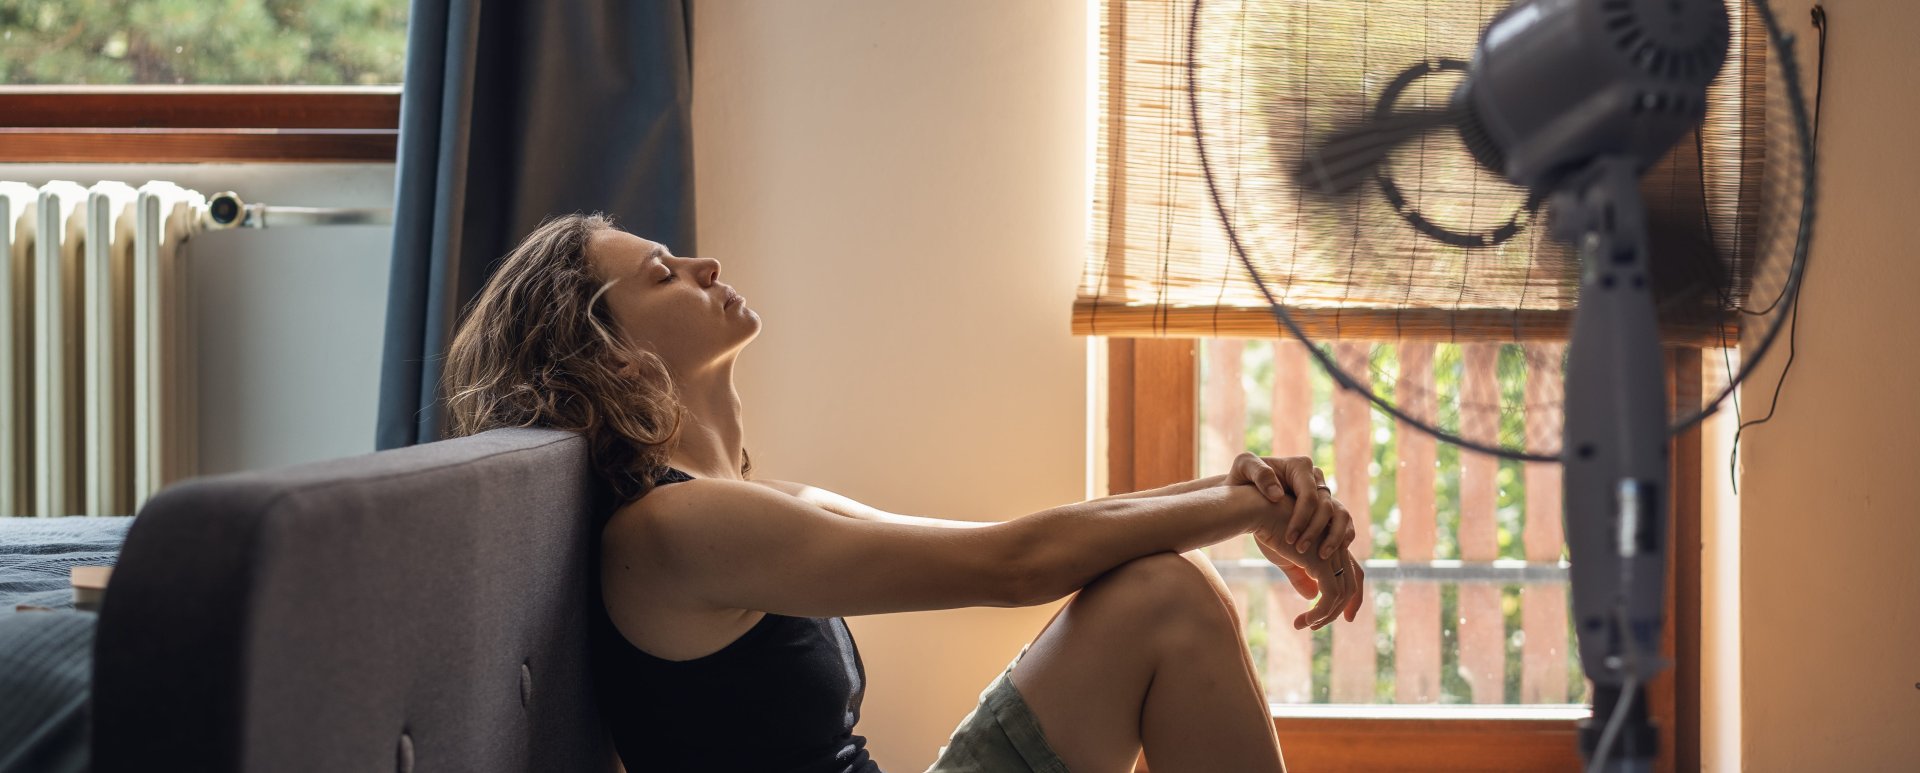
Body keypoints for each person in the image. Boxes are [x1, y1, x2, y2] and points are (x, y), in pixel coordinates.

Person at [442, 214, 1367, 773]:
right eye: (662, 273)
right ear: (610, 351)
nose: (704, 267)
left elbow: (1014, 538)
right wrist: (1256, 505)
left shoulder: (739, 503)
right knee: (1164, 598)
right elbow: (1015, 566)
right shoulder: (678, 526)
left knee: (1160, 589)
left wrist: (1252, 486)